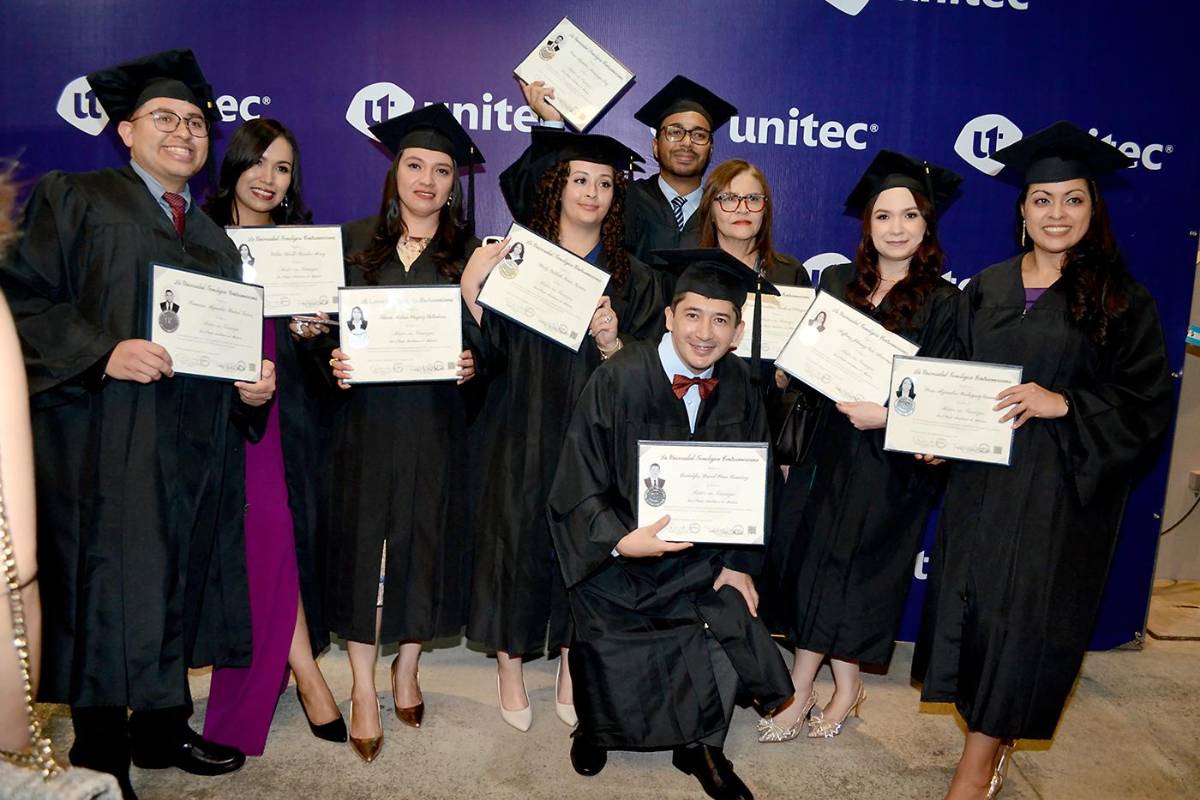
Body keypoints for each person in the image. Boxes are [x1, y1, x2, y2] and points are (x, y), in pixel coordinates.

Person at [0, 49, 276, 799]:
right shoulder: (78, 198)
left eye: (195, 122)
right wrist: (102, 352)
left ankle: (160, 729)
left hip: (191, 441)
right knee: (107, 580)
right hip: (103, 436)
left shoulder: (214, 235)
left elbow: (219, 347)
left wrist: (250, 391)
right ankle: (98, 746)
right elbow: (20, 301)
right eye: (165, 119)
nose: (185, 133)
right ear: (126, 130)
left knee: (176, 575)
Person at [911, 122, 1173, 800]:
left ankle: (977, 762)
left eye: (1074, 200)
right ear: (1022, 211)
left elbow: (1144, 405)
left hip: (1057, 492)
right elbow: (952, 377)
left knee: (1022, 622)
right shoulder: (986, 287)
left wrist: (1067, 405)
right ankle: (988, 735)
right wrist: (933, 430)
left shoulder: (1121, 300)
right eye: (1043, 200)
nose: (1058, 214)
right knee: (976, 616)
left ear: (1094, 209)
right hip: (980, 486)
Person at [547, 248, 793, 800]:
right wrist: (618, 540)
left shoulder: (742, 388)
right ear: (668, 316)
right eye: (692, 315)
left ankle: (703, 746)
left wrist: (736, 564)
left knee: (731, 608)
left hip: (702, 557)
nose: (704, 333)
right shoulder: (619, 377)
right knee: (604, 618)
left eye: (721, 319)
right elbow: (577, 475)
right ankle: (597, 727)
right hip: (624, 552)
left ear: (737, 330)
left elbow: (757, 488)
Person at [462, 128, 664, 732]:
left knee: (588, 546)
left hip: (595, 442)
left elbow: (650, 375)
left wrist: (612, 344)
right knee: (513, 542)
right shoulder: (523, 261)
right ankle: (510, 666)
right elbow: (489, 352)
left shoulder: (637, 281)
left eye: (605, 183)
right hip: (520, 425)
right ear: (558, 186)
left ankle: (575, 664)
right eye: (581, 179)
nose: (593, 192)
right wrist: (473, 289)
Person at [758, 150, 963, 745]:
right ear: (867, 227)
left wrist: (891, 415)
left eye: (909, 216)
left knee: (852, 570)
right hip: (828, 450)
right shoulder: (842, 284)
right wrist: (788, 369)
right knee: (816, 565)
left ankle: (800, 687)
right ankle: (845, 685)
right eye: (883, 216)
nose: (896, 228)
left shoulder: (945, 304)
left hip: (889, 465)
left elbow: (946, 397)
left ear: (926, 226)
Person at [323, 103, 481, 762]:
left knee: (428, 544)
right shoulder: (351, 242)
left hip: (439, 426)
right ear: (396, 173)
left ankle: (408, 666)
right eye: (415, 165)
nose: (427, 179)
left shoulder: (471, 256)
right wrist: (328, 358)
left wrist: (477, 361)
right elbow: (318, 333)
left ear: (454, 182)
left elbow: (495, 346)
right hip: (366, 424)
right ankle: (361, 686)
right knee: (365, 548)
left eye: (442, 170)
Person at [200, 118, 345, 757]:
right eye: (259, 162)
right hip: (220, 415)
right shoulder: (197, 239)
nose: (268, 178)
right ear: (234, 165)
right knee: (258, 541)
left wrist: (313, 333)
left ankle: (302, 673)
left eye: (283, 168)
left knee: (278, 536)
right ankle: (306, 676)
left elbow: (329, 362)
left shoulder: (303, 248)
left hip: (288, 419)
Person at [520, 74, 736, 262]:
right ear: (655, 146)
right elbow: (542, 207)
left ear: (710, 149)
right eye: (674, 132)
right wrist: (552, 124)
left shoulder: (726, 211)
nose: (686, 143)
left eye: (699, 135)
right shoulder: (620, 198)